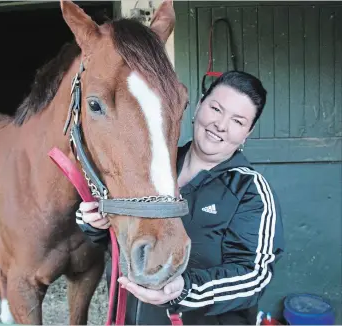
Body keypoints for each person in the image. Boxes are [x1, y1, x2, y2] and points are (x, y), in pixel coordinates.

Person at [76, 71, 285, 325]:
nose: (221, 124)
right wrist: (92, 221)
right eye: (216, 109)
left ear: (246, 134)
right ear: (198, 107)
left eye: (238, 122)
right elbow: (118, 231)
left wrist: (186, 290)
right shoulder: (148, 167)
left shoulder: (249, 190)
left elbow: (254, 276)